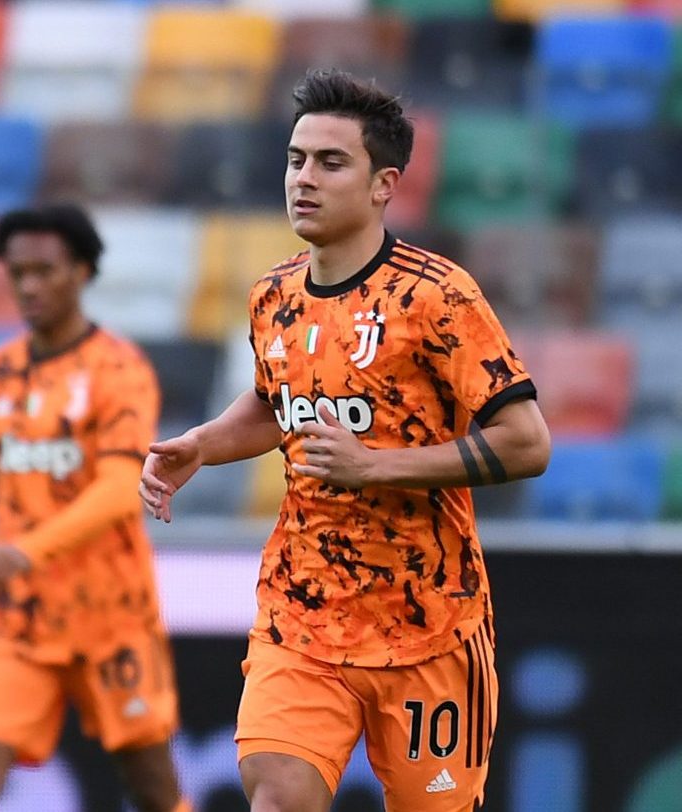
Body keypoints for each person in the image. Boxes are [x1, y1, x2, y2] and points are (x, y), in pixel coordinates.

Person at [140, 70, 552, 812]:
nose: (304, 178)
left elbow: (526, 443)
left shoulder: (436, 297)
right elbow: (276, 403)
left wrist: (376, 467)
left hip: (428, 620)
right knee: (276, 796)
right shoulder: (274, 295)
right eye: (296, 159)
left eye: (331, 163)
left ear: (383, 184)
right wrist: (203, 443)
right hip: (301, 611)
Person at [0, 205, 190, 812]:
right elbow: (7, 481)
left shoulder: (119, 369)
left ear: (82, 271)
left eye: (44, 271)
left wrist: (27, 551)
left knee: (153, 788)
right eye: (17, 273)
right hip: (16, 617)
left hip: (111, 613)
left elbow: (120, 486)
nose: (28, 286)